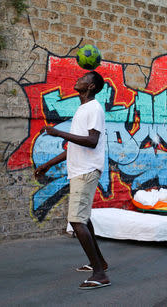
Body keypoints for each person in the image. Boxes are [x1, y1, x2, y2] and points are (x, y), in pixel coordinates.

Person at [34, 71, 110, 290]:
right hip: (79, 170)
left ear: (91, 87)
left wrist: (58, 133)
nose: (79, 78)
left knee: (76, 221)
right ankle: (100, 262)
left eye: (85, 78)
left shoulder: (94, 108)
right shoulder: (82, 108)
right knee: (84, 219)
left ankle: (100, 274)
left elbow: (92, 141)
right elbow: (76, 144)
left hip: (86, 171)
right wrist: (48, 164)